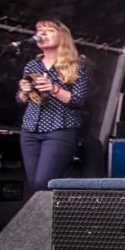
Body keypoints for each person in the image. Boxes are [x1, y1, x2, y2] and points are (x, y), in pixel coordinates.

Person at [16, 19, 90, 194]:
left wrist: (54, 88)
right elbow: (19, 100)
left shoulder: (77, 66)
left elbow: (78, 101)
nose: (42, 34)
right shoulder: (32, 65)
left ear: (63, 36)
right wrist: (24, 91)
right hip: (29, 129)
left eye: (49, 30)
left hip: (60, 129)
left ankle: (59, 218)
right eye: (39, 31)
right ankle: (44, 220)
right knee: (34, 184)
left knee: (44, 182)